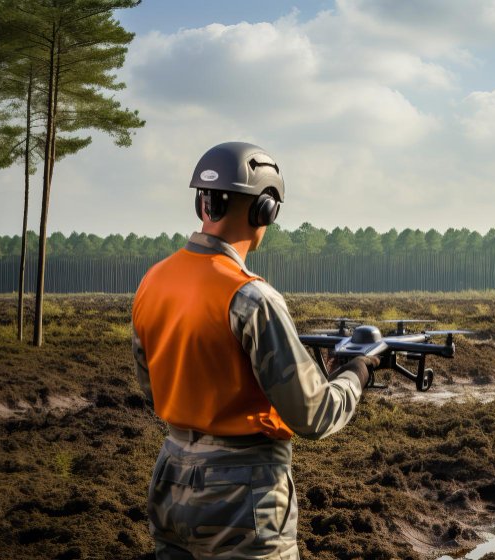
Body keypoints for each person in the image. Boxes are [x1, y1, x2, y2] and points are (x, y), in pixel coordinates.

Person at [131, 141, 377, 559]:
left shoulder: (153, 282)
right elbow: (314, 415)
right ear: (264, 209)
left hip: (170, 480)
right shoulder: (251, 299)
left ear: (202, 204)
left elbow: (153, 389)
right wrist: (356, 374)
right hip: (242, 497)